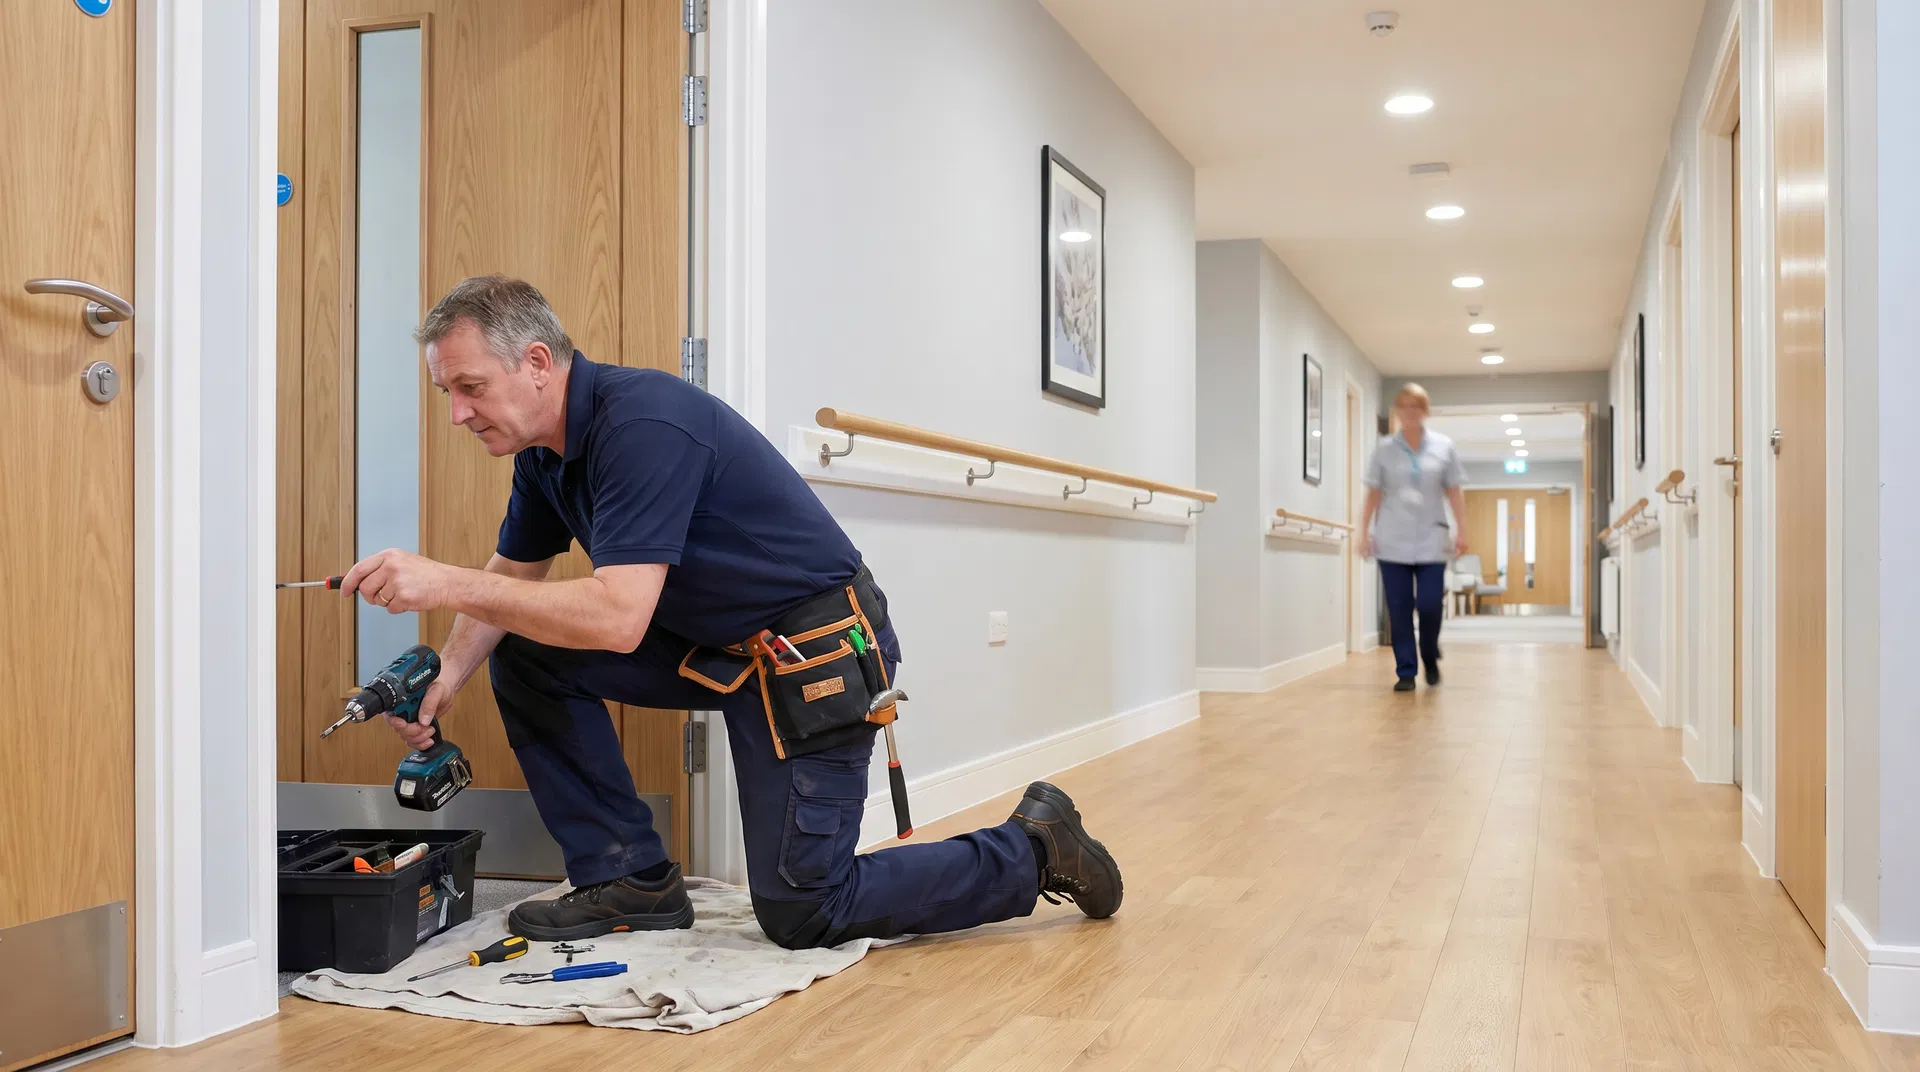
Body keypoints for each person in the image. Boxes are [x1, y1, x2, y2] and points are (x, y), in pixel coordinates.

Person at [337, 276, 1122, 948]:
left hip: (813, 656)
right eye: (448, 393)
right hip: (712, 645)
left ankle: (1034, 849)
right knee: (528, 647)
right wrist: (447, 674)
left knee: (805, 907)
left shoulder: (641, 425)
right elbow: (512, 574)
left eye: (468, 387)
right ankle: (629, 878)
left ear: (537, 363)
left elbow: (615, 619)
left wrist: (442, 581)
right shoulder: (545, 456)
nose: (456, 414)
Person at [1358, 384, 1468, 692]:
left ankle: (1429, 655)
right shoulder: (1383, 449)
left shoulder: (1443, 447)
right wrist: (1363, 532)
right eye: (1404, 405)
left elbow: (1455, 492)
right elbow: (1373, 494)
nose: (1410, 411)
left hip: (1432, 537)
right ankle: (1406, 670)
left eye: (1416, 406)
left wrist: (1463, 530)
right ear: (1398, 411)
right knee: (1400, 606)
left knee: (1431, 603)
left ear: (1425, 411)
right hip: (1392, 539)